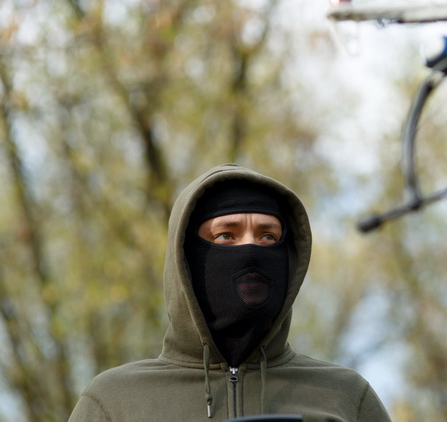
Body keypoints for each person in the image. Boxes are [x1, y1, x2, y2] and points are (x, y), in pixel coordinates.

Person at [69, 163, 391, 421]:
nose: (251, 249)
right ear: (187, 257)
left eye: (268, 237)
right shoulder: (115, 402)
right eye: (226, 236)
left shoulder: (345, 396)